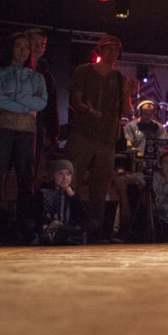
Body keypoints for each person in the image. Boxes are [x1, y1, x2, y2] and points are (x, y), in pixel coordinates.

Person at [64, 35, 133, 240]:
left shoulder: (120, 78)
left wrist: (127, 94)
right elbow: (76, 101)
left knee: (100, 187)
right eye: (108, 48)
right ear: (99, 51)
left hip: (107, 139)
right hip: (82, 134)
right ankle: (69, 223)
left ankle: (95, 229)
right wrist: (88, 110)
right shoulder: (84, 71)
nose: (113, 52)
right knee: (72, 181)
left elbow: (127, 111)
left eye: (116, 49)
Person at [0, 32, 47, 244]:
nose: (22, 51)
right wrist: (26, 106)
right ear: (10, 47)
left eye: (26, 48)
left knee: (25, 178)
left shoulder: (37, 77)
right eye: (18, 46)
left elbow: (41, 103)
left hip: (27, 131)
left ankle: (24, 226)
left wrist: (15, 97)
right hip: (1, 127)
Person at [26, 159, 92, 245]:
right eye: (60, 173)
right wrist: (49, 223)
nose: (65, 178)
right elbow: (34, 213)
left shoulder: (72, 193)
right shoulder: (43, 192)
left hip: (67, 227)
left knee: (91, 223)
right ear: (53, 175)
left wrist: (73, 197)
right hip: (48, 226)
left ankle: (67, 237)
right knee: (28, 224)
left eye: (68, 174)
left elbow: (81, 216)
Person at [24, 28, 59, 182]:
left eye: (43, 45)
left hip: (35, 128)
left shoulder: (46, 75)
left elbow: (51, 106)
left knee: (30, 171)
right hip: (11, 125)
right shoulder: (13, 68)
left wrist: (52, 134)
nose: (39, 47)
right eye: (35, 43)